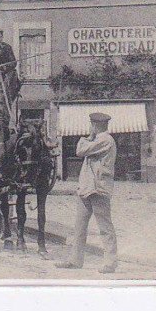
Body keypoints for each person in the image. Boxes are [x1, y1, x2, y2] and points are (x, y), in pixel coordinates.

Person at [56, 112, 119, 274]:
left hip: (98, 189)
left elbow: (80, 150)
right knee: (79, 227)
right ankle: (75, 260)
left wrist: (87, 137)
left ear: (96, 125)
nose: (90, 127)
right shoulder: (98, 140)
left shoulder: (105, 140)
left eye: (92, 124)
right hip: (86, 188)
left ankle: (110, 262)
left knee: (105, 227)